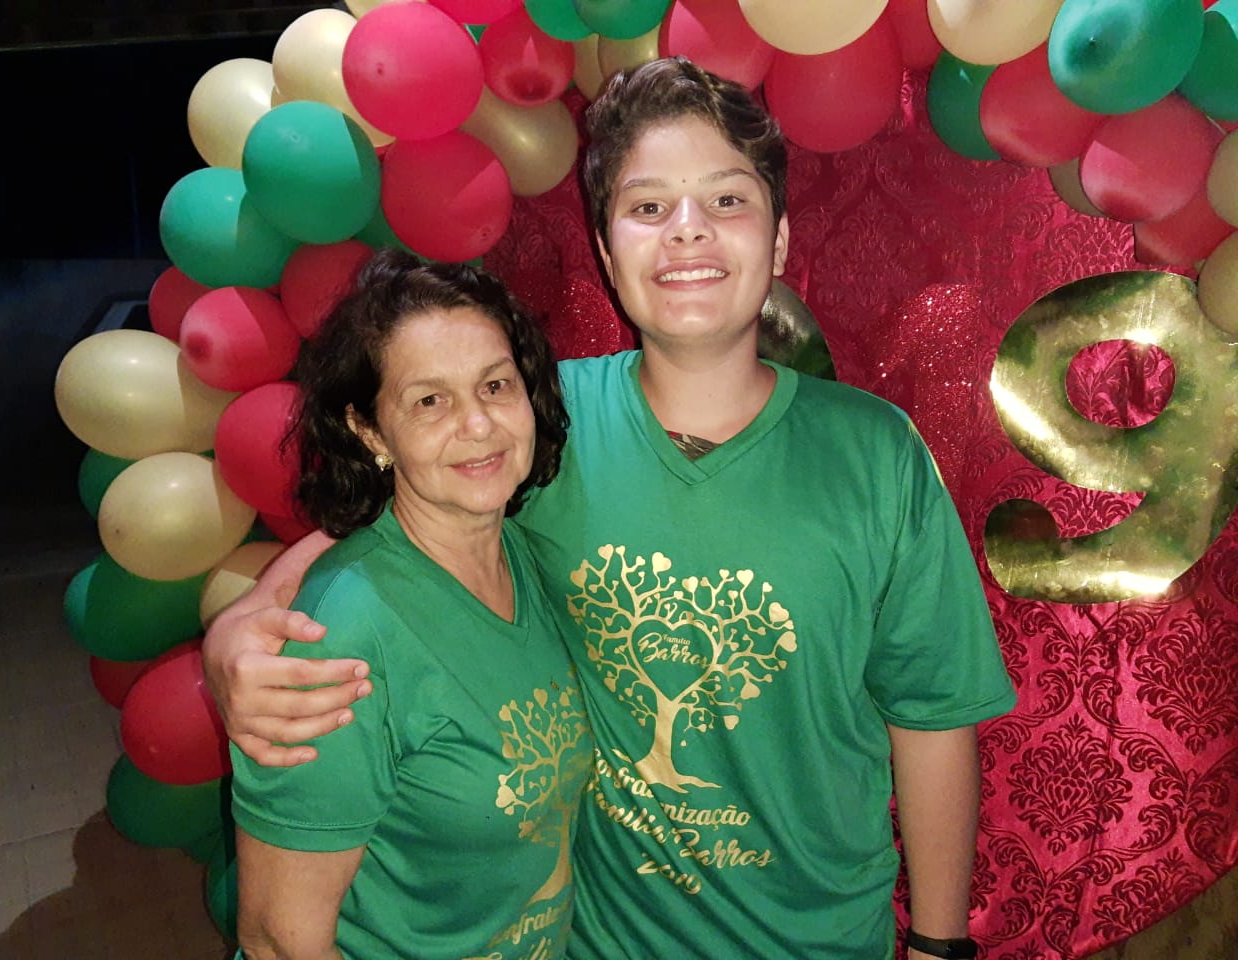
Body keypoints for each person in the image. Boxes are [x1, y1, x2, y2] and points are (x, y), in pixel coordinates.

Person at [208, 58, 1016, 960]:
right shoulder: (537, 423)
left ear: (780, 240)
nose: (687, 230)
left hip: (825, 937)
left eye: (726, 200)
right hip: (605, 943)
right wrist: (242, 627)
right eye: (648, 206)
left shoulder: (878, 455)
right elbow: (386, 521)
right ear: (604, 250)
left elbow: (933, 716)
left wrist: (939, 944)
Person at [229, 250, 592, 960]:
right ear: (370, 431)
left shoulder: (525, 550)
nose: (479, 424)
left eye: (495, 385)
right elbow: (278, 941)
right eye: (430, 401)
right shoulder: (341, 638)